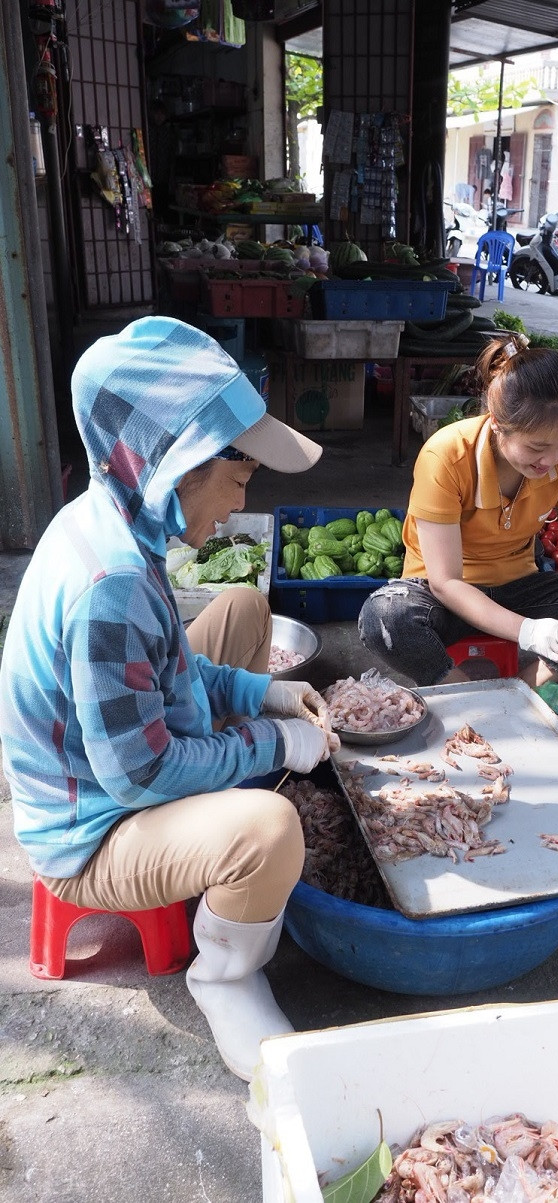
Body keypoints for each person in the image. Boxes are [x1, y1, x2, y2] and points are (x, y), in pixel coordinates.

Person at [0, 315, 335, 1083]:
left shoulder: (118, 522)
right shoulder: (111, 584)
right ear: (175, 464)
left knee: (247, 610)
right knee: (271, 826)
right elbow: (140, 777)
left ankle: (228, 835)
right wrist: (274, 745)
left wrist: (268, 693)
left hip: (119, 762)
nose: (236, 506)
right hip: (92, 831)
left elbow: (173, 664)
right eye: (240, 478)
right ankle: (225, 975)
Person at [359, 334, 558, 688]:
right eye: (537, 447)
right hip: (442, 597)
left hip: (519, 586)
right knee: (384, 617)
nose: (551, 459)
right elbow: (445, 582)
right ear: (497, 423)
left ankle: (529, 684)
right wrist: (527, 631)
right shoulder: (446, 455)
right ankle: (463, 689)